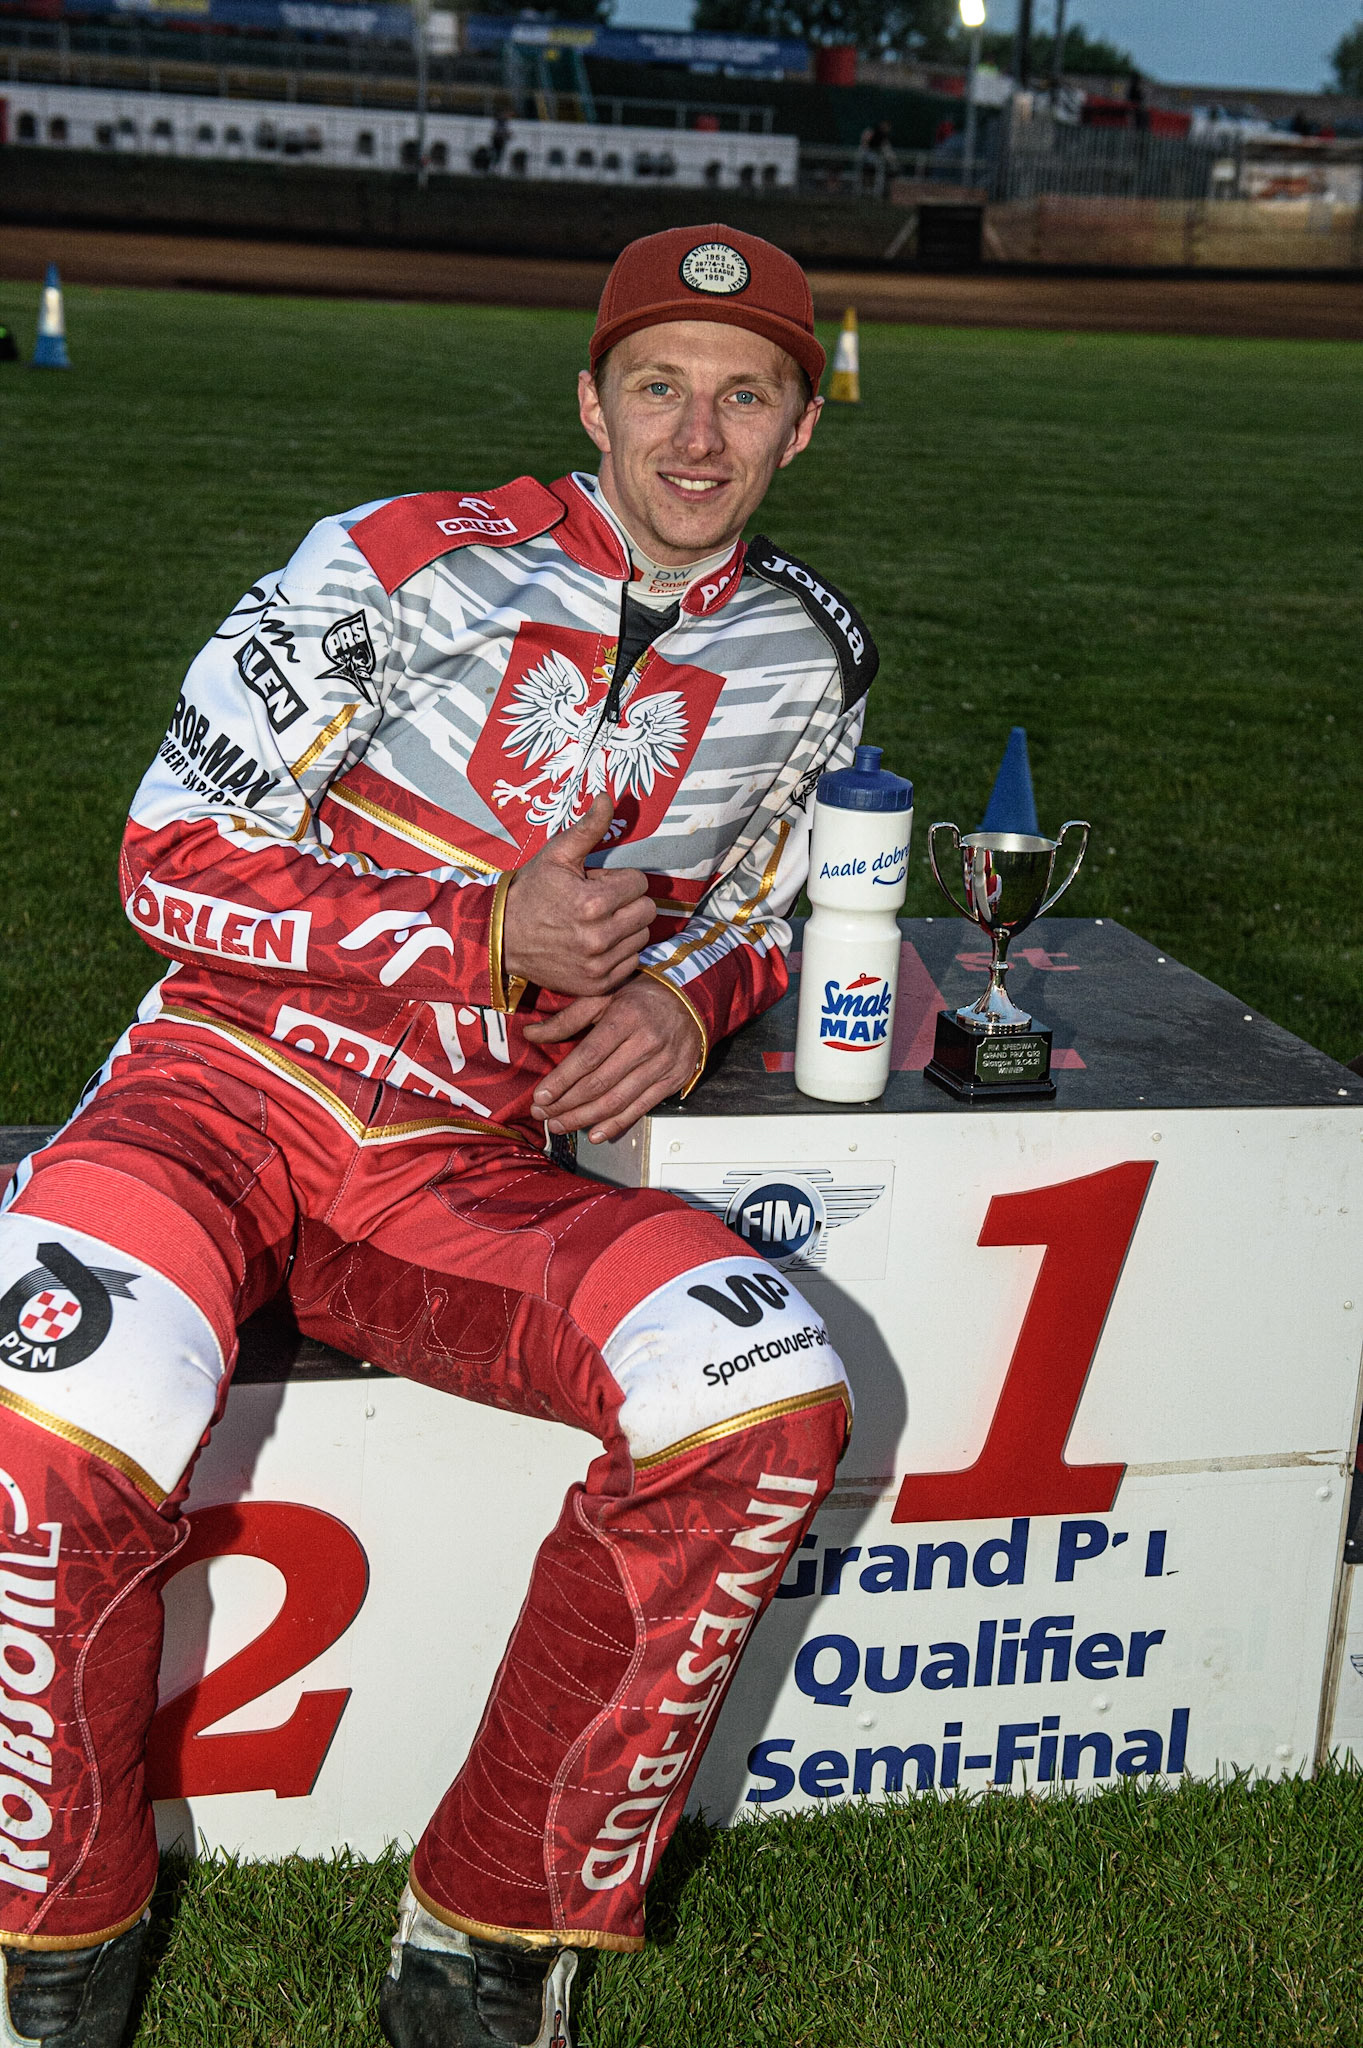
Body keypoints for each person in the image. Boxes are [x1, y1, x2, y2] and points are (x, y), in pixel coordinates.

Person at [0, 222, 879, 2048]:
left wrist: (681, 1001)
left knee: (767, 1390)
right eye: (658, 388)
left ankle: (484, 1941)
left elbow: (771, 900)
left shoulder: (814, 658)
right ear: (591, 401)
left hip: (458, 1169)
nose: (695, 436)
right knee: (55, 1422)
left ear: (805, 425)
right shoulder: (396, 561)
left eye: (745, 396)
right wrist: (478, 934)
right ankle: (57, 1956)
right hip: (217, 1094)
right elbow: (163, 856)